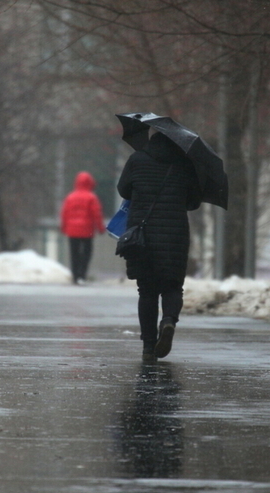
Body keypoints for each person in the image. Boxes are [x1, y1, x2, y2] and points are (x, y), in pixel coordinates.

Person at [117, 129, 201, 362]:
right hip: (174, 234)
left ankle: (147, 347)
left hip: (142, 235)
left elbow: (123, 189)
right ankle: (169, 321)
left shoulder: (137, 159)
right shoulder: (185, 162)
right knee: (173, 286)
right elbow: (193, 202)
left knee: (147, 290)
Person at [60, 171, 106, 284]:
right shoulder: (92, 197)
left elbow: (64, 213)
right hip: (87, 230)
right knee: (86, 253)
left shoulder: (70, 197)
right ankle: (82, 275)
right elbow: (97, 214)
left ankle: (75, 276)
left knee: (74, 253)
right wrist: (100, 228)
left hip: (72, 230)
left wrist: (63, 227)